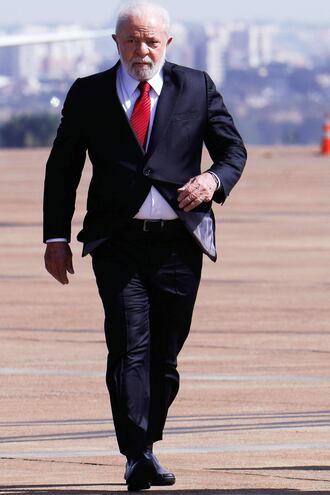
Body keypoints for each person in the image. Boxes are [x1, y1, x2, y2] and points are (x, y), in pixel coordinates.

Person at [43, 1, 247, 491]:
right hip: (117, 244)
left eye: (151, 40)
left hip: (180, 245)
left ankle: (147, 442)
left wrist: (212, 180)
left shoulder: (195, 87)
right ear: (116, 42)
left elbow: (233, 150)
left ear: (167, 44)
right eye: (132, 40)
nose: (142, 49)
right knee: (129, 347)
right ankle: (135, 454)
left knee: (166, 359)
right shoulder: (89, 93)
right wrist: (55, 238)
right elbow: (63, 167)